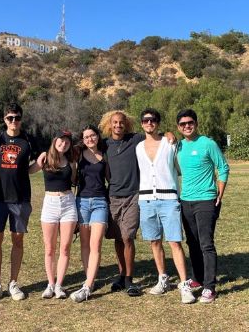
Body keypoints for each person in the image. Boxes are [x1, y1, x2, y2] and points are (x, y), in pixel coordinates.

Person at [135, 108, 195, 304]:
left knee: (175, 241)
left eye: (153, 120)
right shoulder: (138, 148)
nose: (149, 123)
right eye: (145, 120)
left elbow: (180, 169)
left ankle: (184, 284)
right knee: (154, 241)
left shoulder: (170, 144)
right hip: (146, 200)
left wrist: (171, 135)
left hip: (169, 199)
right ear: (141, 123)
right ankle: (163, 279)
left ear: (158, 123)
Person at [0, 103, 40, 303]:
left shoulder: (29, 140)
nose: (13, 121)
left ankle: (13, 282)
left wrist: (31, 169)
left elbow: (41, 158)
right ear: (4, 119)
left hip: (20, 198)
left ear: (21, 119)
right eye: (9, 118)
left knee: (18, 239)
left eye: (16, 117)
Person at [176, 109, 229, 303]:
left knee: (206, 244)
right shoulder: (178, 145)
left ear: (196, 124)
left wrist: (219, 193)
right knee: (192, 242)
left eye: (190, 123)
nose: (187, 126)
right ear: (178, 127)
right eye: (182, 124)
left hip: (206, 200)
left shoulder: (208, 143)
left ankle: (210, 287)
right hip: (186, 200)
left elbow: (223, 167)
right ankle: (197, 279)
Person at [98, 110, 145, 296]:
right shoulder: (105, 144)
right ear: (109, 125)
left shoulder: (135, 139)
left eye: (121, 123)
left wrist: (168, 135)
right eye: (115, 123)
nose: (118, 125)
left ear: (127, 124)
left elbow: (154, 137)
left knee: (128, 237)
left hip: (133, 195)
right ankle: (121, 273)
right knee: (117, 238)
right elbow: (86, 145)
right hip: (112, 196)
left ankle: (129, 279)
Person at [36, 130, 78, 299]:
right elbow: (29, 171)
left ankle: (59, 285)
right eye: (61, 140)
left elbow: (74, 181)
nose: (64, 144)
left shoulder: (71, 160)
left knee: (65, 247)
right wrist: (38, 160)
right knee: (49, 248)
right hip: (50, 204)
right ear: (55, 141)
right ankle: (50, 284)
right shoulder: (46, 158)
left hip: (68, 203)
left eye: (67, 141)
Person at [70, 125, 109, 303]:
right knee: (85, 244)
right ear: (83, 140)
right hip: (82, 202)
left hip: (100, 202)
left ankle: (87, 285)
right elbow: (71, 177)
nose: (90, 139)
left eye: (92, 135)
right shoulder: (78, 155)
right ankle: (89, 280)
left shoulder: (105, 154)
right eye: (86, 137)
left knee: (96, 243)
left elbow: (110, 178)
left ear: (98, 136)